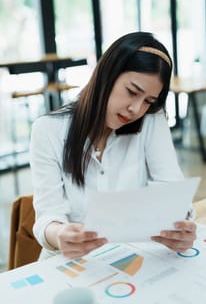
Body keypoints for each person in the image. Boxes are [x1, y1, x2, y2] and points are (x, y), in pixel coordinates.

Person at [30, 31, 196, 261]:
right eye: (132, 92)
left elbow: (172, 191)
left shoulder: (151, 121)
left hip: (131, 260)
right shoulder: (48, 130)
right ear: (105, 75)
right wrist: (60, 235)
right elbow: (47, 217)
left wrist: (182, 226)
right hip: (71, 265)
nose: (136, 109)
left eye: (148, 101)